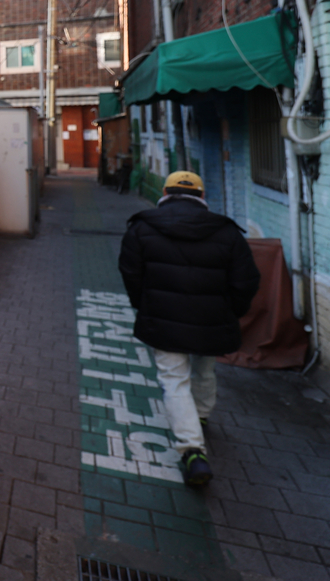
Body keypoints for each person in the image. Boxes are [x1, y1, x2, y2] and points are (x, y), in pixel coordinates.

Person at [117, 170, 259, 487]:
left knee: (174, 381)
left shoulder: (142, 227)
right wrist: (230, 312)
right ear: (202, 197)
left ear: (164, 194)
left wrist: (146, 304)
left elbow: (130, 273)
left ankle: (192, 450)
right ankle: (202, 414)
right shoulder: (227, 232)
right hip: (212, 320)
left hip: (163, 319)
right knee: (205, 368)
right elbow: (246, 281)